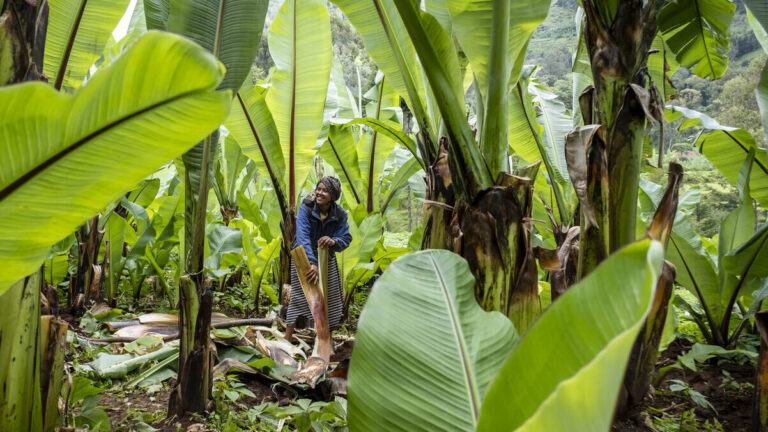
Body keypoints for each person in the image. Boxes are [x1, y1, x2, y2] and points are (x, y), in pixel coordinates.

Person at [285, 176, 352, 342]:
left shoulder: (340, 214)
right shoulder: (307, 207)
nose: (320, 193)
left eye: (325, 190)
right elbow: (302, 236)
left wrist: (333, 241)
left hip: (326, 258)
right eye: (319, 189)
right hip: (303, 257)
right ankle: (286, 340)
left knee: (330, 299)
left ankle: (324, 340)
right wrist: (312, 263)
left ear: (333, 196)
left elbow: (346, 237)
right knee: (300, 297)